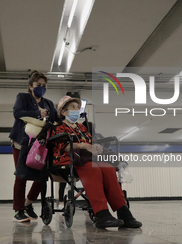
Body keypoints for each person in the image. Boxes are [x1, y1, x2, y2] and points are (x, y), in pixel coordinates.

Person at [51, 96, 142, 229]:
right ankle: (102, 214)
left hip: (87, 157)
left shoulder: (81, 127)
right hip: (71, 159)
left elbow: (90, 142)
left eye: (78, 107)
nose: (77, 109)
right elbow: (63, 146)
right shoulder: (58, 127)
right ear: (63, 112)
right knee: (93, 170)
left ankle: (124, 212)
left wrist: (96, 146)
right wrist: (84, 146)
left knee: (108, 169)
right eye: (73, 107)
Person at [9, 70, 57, 222]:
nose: (41, 88)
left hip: (40, 145)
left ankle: (28, 203)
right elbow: (17, 113)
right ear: (31, 86)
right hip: (21, 143)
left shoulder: (48, 103)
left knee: (42, 177)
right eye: (38, 85)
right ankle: (18, 210)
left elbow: (55, 119)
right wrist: (38, 114)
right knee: (21, 176)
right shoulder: (22, 97)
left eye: (44, 85)